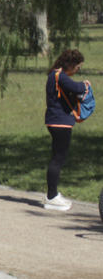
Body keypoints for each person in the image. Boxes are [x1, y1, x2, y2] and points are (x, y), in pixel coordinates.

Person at [44, 49, 90, 211]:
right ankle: (51, 197)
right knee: (58, 159)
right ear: (70, 64)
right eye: (78, 67)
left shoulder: (55, 75)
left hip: (56, 121)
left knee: (57, 158)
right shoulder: (60, 76)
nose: (78, 70)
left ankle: (53, 194)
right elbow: (78, 88)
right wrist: (86, 84)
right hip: (60, 123)